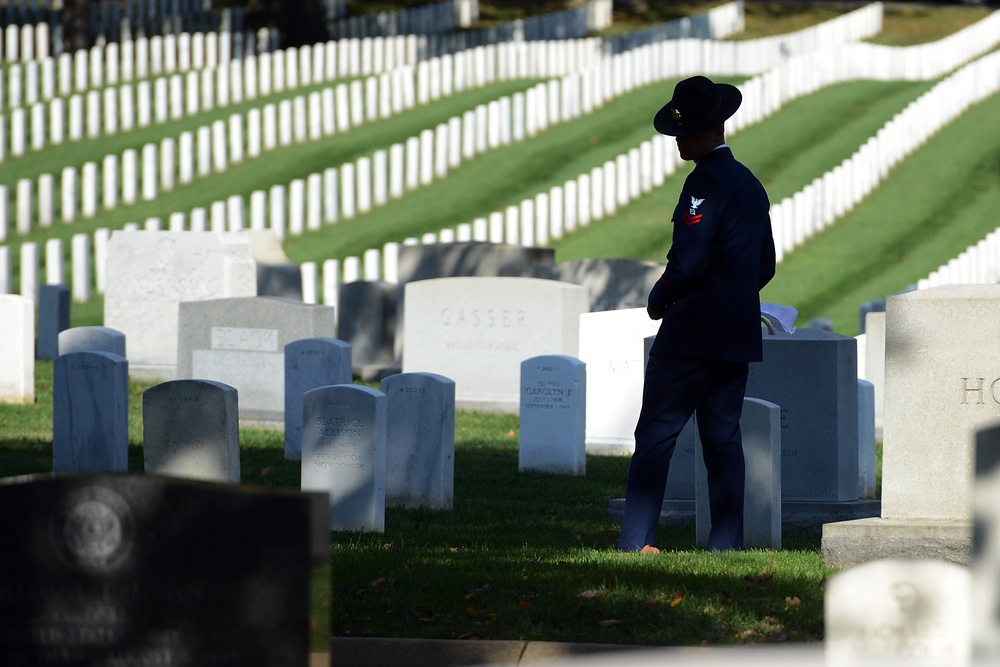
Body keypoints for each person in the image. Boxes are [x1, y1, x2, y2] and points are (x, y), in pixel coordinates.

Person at [617, 75, 776, 553]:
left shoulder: (703, 182)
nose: (679, 140)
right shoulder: (749, 182)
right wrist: (733, 297)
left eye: (686, 131)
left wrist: (660, 297)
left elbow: (687, 260)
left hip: (690, 335)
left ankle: (635, 541)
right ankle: (725, 544)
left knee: (656, 436)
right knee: (723, 440)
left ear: (713, 130)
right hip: (736, 333)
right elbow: (764, 265)